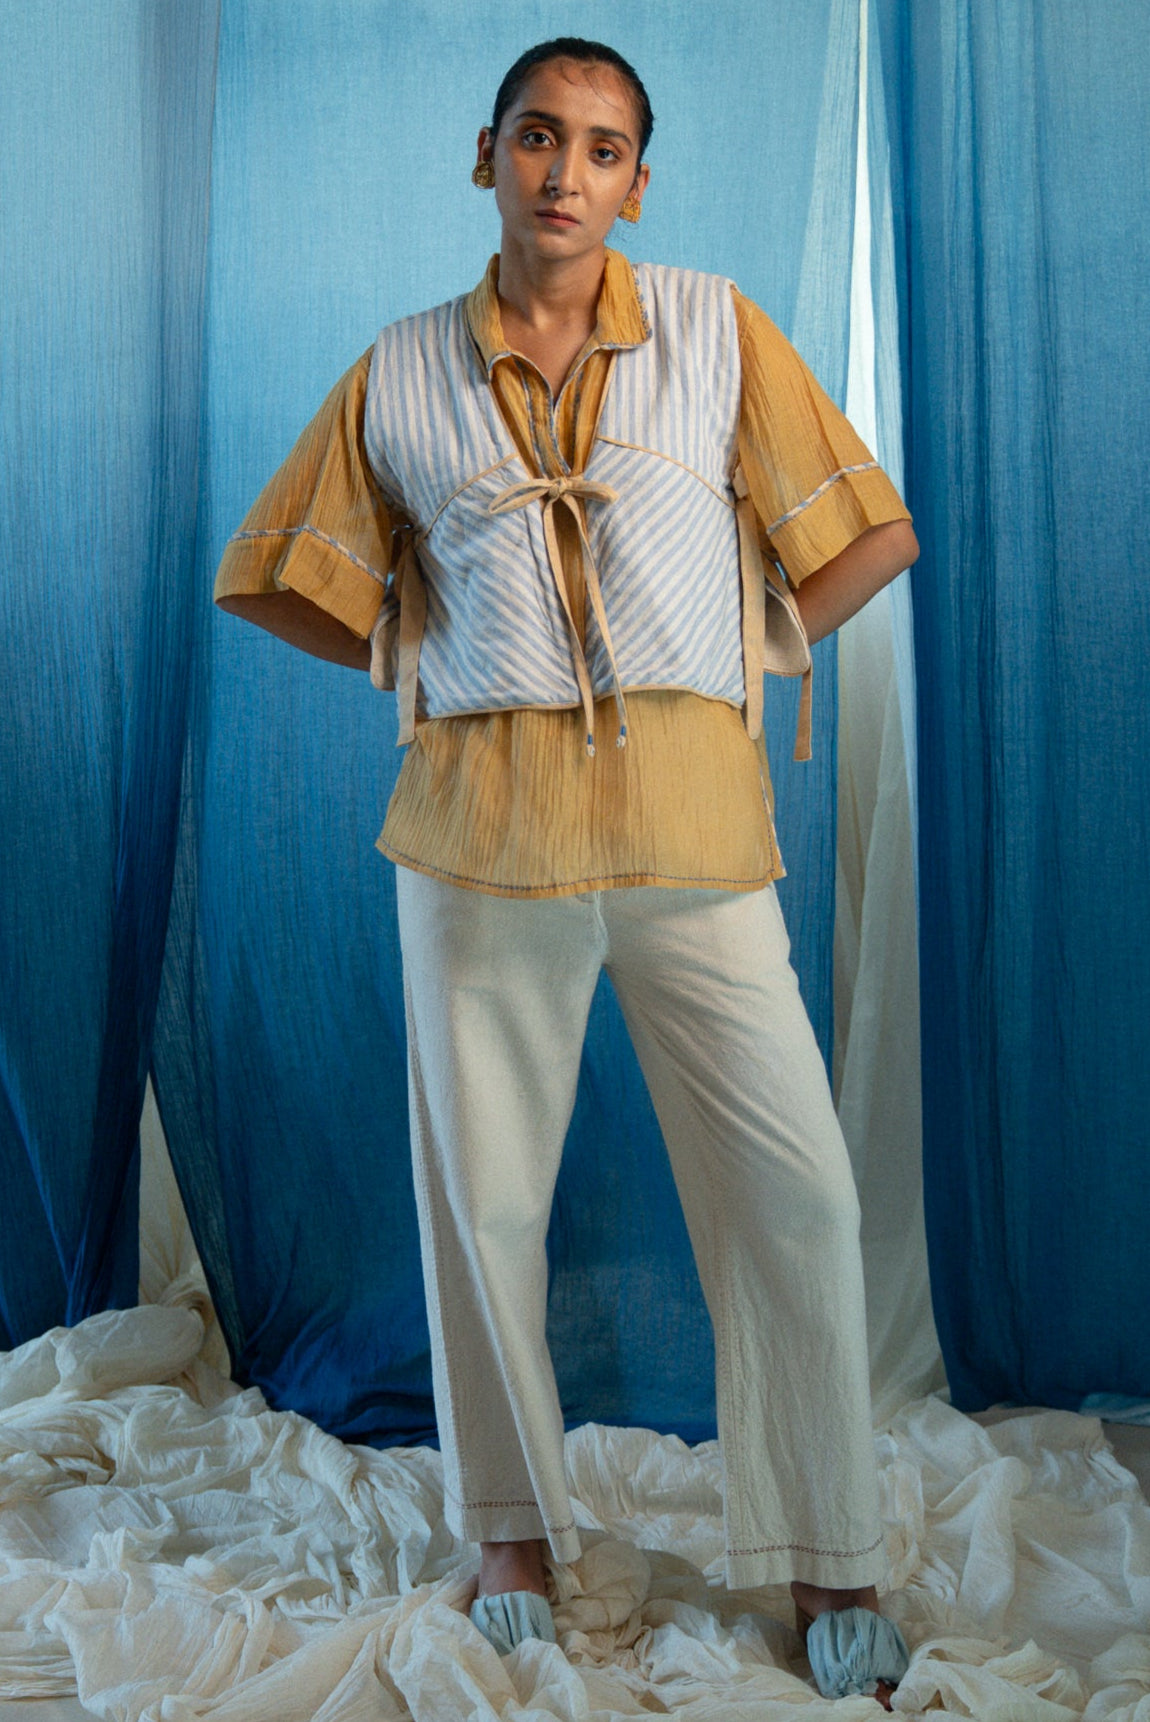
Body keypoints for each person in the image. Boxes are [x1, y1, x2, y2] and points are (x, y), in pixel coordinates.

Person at [215, 37, 919, 1706]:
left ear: (635, 186)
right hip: (480, 837)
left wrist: (747, 648)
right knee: (486, 1203)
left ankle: (829, 1545)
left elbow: (870, 532)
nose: (565, 172)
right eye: (539, 137)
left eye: (601, 149)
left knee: (799, 1194)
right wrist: (422, 651)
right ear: (488, 156)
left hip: (692, 828)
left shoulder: (716, 328)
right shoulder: (400, 370)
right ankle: (511, 1531)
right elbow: (276, 574)